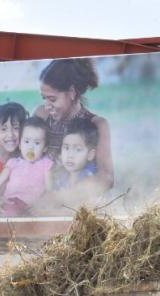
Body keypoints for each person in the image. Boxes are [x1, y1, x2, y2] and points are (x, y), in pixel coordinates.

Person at [35, 58, 114, 194]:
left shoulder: (97, 124)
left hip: (75, 200)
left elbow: (106, 178)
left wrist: (60, 199)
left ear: (71, 92)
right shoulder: (42, 115)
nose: (47, 106)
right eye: (44, 98)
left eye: (52, 99)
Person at [0, 116, 55, 217]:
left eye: (37, 143)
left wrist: (41, 204)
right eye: (26, 141)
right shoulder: (13, 163)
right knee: (9, 214)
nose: (31, 147)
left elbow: (50, 190)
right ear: (20, 144)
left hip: (34, 206)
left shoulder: (46, 164)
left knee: (38, 218)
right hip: (12, 202)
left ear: (45, 147)